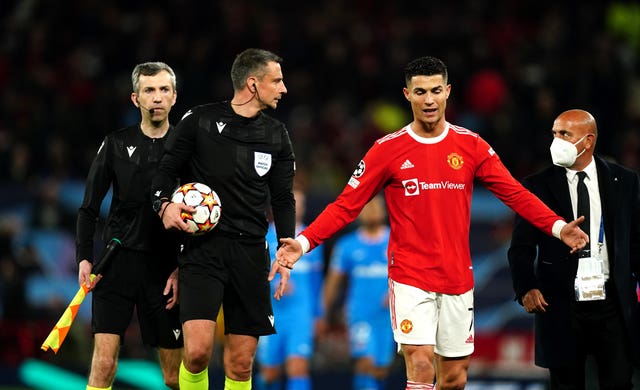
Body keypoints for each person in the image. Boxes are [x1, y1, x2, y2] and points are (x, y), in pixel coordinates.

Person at [275, 56, 589, 390]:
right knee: (421, 364)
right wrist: (304, 242)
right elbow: (345, 205)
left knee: (454, 379)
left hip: (456, 276)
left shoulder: (471, 145)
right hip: (410, 276)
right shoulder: (387, 150)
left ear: (448, 92)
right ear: (407, 94)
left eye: (436, 90)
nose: (429, 99)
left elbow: (514, 193)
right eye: (420, 91)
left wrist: (558, 227)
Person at [150, 48, 295, 390]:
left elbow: (282, 198)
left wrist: (285, 249)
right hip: (203, 251)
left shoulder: (277, 135)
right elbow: (163, 173)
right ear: (253, 83)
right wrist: (164, 205)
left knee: (241, 363)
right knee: (198, 353)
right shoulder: (199, 120)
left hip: (250, 253)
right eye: (277, 80)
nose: (284, 88)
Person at [507, 109, 640, 389]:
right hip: (559, 304)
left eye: (565, 134)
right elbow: (520, 248)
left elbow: (635, 242)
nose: (556, 140)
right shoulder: (536, 186)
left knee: (619, 383)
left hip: (612, 303)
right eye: (554, 133)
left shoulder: (625, 181)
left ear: (588, 140)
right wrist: (526, 288)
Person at [76, 61, 183, 390]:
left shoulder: (188, 148)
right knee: (104, 364)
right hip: (116, 264)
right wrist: (84, 257)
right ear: (135, 99)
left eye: (164, 90)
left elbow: (200, 214)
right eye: (149, 90)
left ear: (174, 97)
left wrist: (182, 268)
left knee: (173, 376)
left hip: (164, 270)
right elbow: (89, 207)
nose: (157, 97)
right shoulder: (115, 143)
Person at [322, 195, 395, 390]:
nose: (371, 211)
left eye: (376, 207)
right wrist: (322, 314)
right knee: (365, 362)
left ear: (384, 211)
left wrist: (397, 293)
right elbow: (333, 281)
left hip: (389, 316)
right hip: (359, 314)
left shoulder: (396, 240)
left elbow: (411, 273)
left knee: (381, 369)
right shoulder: (347, 245)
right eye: (367, 207)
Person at [255, 189, 324, 390]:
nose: (296, 207)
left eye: (300, 202)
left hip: (300, 313)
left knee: (298, 367)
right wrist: (271, 282)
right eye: (292, 202)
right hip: (270, 311)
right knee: (269, 373)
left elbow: (316, 280)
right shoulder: (263, 235)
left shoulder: (311, 238)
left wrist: (319, 314)